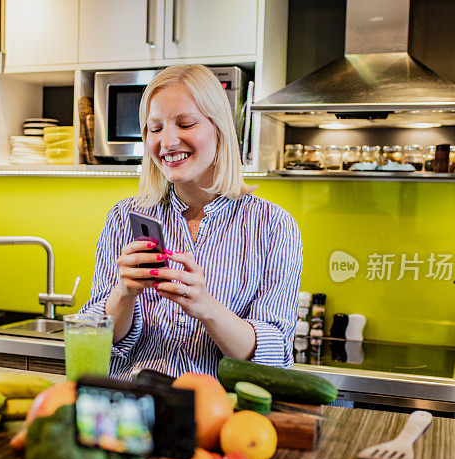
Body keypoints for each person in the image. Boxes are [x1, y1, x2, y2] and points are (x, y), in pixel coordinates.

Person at [79, 64, 302, 380]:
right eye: (155, 128)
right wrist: (124, 294)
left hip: (219, 417)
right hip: (129, 413)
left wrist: (207, 309)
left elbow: (274, 355)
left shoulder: (273, 227)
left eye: (185, 123)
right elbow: (90, 340)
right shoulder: (122, 218)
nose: (167, 142)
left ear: (219, 128)